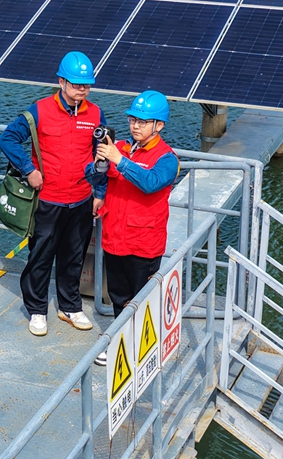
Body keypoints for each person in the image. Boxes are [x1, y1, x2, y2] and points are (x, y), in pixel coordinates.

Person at [0, 51, 107, 337]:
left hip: (82, 199)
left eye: (86, 84)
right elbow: (7, 138)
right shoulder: (39, 110)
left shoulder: (95, 114)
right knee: (41, 257)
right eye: (75, 84)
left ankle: (69, 306)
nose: (81, 89)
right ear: (61, 81)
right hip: (48, 199)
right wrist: (28, 169)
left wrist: (100, 191)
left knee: (74, 256)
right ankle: (37, 310)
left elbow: (102, 154)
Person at [85, 90, 179, 366]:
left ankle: (140, 347)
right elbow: (95, 176)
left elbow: (150, 183)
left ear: (158, 125)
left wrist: (118, 160)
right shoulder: (122, 147)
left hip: (143, 245)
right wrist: (98, 165)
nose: (135, 125)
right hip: (115, 238)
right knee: (118, 298)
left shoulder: (167, 158)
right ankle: (121, 342)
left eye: (142, 121)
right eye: (132, 119)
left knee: (141, 301)